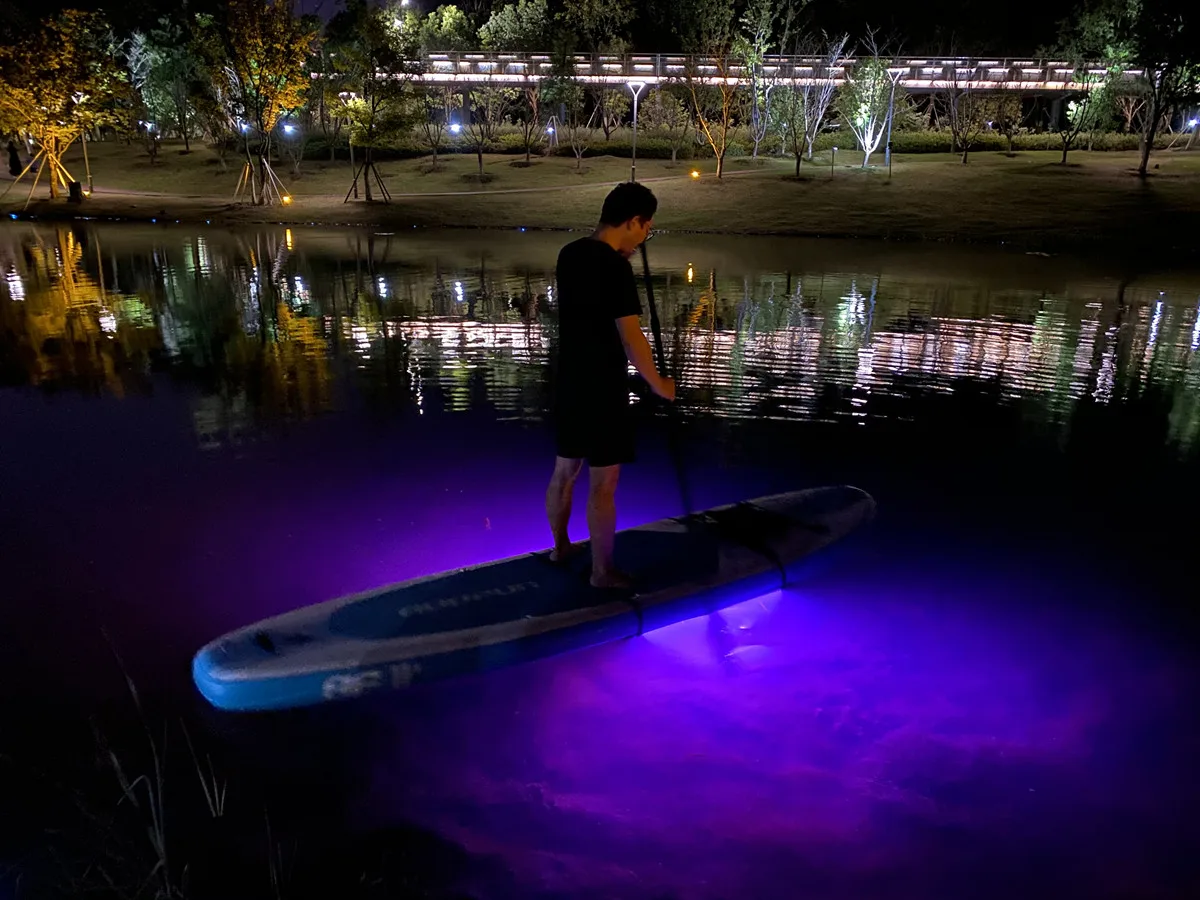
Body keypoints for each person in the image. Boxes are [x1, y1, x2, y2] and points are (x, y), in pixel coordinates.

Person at [545, 182, 676, 589]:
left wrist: (620, 255)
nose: (645, 236)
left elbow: (589, 296)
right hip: (602, 384)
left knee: (565, 471)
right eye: (646, 227)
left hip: (568, 378)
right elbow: (630, 337)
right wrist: (658, 383)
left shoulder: (570, 254)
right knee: (603, 483)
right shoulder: (616, 269)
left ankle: (560, 548)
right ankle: (602, 572)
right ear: (633, 221)